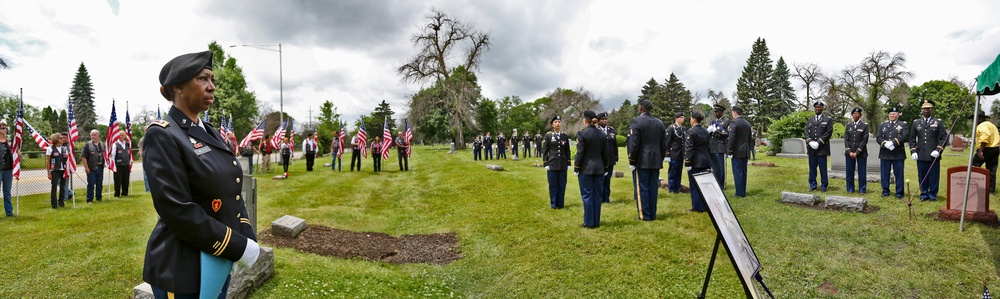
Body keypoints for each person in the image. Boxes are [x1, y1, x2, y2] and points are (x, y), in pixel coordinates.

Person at [143, 51, 259, 298]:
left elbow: (231, 191)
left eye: (212, 80)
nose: (212, 87)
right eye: (203, 79)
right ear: (178, 87)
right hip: (184, 267)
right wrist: (236, 246)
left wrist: (247, 237)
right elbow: (177, 209)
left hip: (218, 257)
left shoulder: (210, 131)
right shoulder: (163, 134)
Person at [626, 100, 667, 221]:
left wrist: (632, 160)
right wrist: (661, 157)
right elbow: (663, 144)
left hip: (642, 160)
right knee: (653, 188)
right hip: (655, 160)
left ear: (641, 108)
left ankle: (645, 215)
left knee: (642, 188)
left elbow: (634, 144)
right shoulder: (659, 123)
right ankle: (652, 214)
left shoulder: (636, 121)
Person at [575, 110, 610, 228]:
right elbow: (605, 153)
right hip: (599, 168)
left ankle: (589, 222)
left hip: (586, 169)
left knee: (587, 195)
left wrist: (576, 167)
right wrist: (606, 167)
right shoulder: (602, 134)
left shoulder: (582, 134)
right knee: (597, 196)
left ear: (585, 120)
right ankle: (596, 221)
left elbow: (580, 153)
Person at [909, 99, 949, 201]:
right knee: (922, 175)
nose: (926, 110)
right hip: (921, 154)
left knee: (933, 175)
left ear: (932, 109)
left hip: (933, 155)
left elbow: (944, 137)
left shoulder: (938, 122)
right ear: (922, 110)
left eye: (928, 108)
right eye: (924, 108)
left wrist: (938, 150)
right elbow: (912, 138)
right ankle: (924, 193)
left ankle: (932, 194)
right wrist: (913, 151)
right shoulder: (916, 123)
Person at [876, 107, 909, 199]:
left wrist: (894, 143)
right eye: (890, 114)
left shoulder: (903, 124)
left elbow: (904, 135)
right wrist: (885, 143)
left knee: (898, 174)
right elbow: (878, 137)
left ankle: (899, 193)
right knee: (884, 174)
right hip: (885, 153)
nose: (892, 115)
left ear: (897, 115)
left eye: (894, 114)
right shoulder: (883, 125)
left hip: (898, 153)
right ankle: (885, 191)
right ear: (888, 115)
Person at [685, 112, 711, 212]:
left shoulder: (691, 132)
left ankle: (697, 206)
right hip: (706, 160)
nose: (690, 120)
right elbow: (709, 147)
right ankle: (705, 205)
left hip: (696, 161)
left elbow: (689, 148)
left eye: (691, 118)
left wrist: (687, 162)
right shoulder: (705, 131)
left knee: (694, 185)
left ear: (694, 119)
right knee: (704, 184)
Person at [543, 116, 570, 209]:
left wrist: (568, 163)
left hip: (562, 164)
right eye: (556, 122)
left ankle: (561, 204)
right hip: (552, 164)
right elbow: (545, 150)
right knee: (553, 184)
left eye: (559, 122)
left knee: (562, 184)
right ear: (552, 124)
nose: (558, 123)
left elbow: (567, 151)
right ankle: (553, 204)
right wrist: (546, 163)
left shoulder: (564, 136)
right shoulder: (548, 136)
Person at [805, 101, 833, 192]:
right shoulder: (810, 120)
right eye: (816, 107)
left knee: (823, 168)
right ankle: (813, 185)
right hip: (811, 149)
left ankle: (824, 185)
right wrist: (809, 142)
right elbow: (806, 132)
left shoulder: (827, 120)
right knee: (812, 168)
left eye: (819, 107)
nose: (817, 109)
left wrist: (818, 142)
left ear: (822, 108)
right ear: (814, 108)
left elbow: (828, 133)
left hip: (822, 149)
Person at [728, 106, 752, 197]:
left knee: (737, 172)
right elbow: (750, 139)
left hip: (737, 151)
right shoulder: (747, 123)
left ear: (734, 113)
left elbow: (732, 138)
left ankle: (739, 193)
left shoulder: (734, 123)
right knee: (743, 172)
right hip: (745, 150)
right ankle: (743, 191)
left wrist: (729, 150)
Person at [973, 111, 1000, 194]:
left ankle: (971, 185)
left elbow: (985, 136)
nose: (973, 121)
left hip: (985, 148)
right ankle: (990, 190)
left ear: (980, 118)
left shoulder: (982, 125)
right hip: (995, 148)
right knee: (991, 170)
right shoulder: (991, 125)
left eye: (974, 119)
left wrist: (980, 151)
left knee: (973, 167)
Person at [844, 107, 870, 194]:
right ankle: (850, 188)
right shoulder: (848, 126)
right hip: (849, 152)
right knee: (849, 172)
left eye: (857, 114)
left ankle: (862, 189)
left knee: (862, 172)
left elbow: (864, 140)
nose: (856, 115)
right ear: (852, 115)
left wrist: (857, 152)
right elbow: (846, 139)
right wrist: (849, 151)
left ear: (860, 115)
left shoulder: (864, 126)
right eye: (854, 113)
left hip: (861, 152)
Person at [708, 104, 730, 189]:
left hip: (721, 147)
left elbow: (727, 134)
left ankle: (721, 184)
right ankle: (716, 183)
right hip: (713, 147)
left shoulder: (726, 122)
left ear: (722, 112)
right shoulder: (712, 122)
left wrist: (716, 131)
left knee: (721, 167)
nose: (715, 113)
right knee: (714, 167)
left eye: (717, 112)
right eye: (714, 112)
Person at [598, 112, 618, 203]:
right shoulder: (596, 130)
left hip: (610, 158)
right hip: (600, 159)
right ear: (598, 121)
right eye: (602, 119)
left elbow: (615, 145)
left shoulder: (611, 130)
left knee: (607, 179)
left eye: (606, 119)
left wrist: (616, 157)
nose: (605, 121)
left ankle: (606, 198)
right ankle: (600, 197)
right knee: (600, 180)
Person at [664, 112, 686, 193]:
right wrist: (667, 154)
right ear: (676, 118)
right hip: (673, 154)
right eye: (681, 117)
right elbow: (667, 142)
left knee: (679, 172)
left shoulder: (683, 129)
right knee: (672, 172)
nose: (682, 119)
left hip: (680, 154)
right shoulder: (671, 128)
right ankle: (672, 189)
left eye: (683, 117)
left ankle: (678, 188)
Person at [81, 129, 105, 203]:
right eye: (92, 135)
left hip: (100, 167)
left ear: (98, 136)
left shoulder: (102, 144)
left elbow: (105, 154)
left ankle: (99, 197)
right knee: (91, 184)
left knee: (99, 183)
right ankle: (89, 199)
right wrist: (86, 167)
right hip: (91, 168)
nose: (93, 136)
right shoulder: (87, 145)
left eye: (95, 135)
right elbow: (83, 157)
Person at [46, 133, 67, 208]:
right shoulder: (50, 149)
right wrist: (48, 172)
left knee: (63, 186)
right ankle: (54, 204)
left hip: (63, 170)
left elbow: (67, 158)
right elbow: (48, 161)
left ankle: (61, 202)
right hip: (54, 170)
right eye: (61, 138)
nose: (63, 139)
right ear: (57, 139)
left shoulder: (64, 148)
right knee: (54, 187)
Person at [0, 122, 13, 215]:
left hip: (8, 170)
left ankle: (9, 212)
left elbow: (14, 152)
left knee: (7, 192)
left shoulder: (9, 141)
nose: (4, 129)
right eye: (2, 128)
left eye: (5, 128)